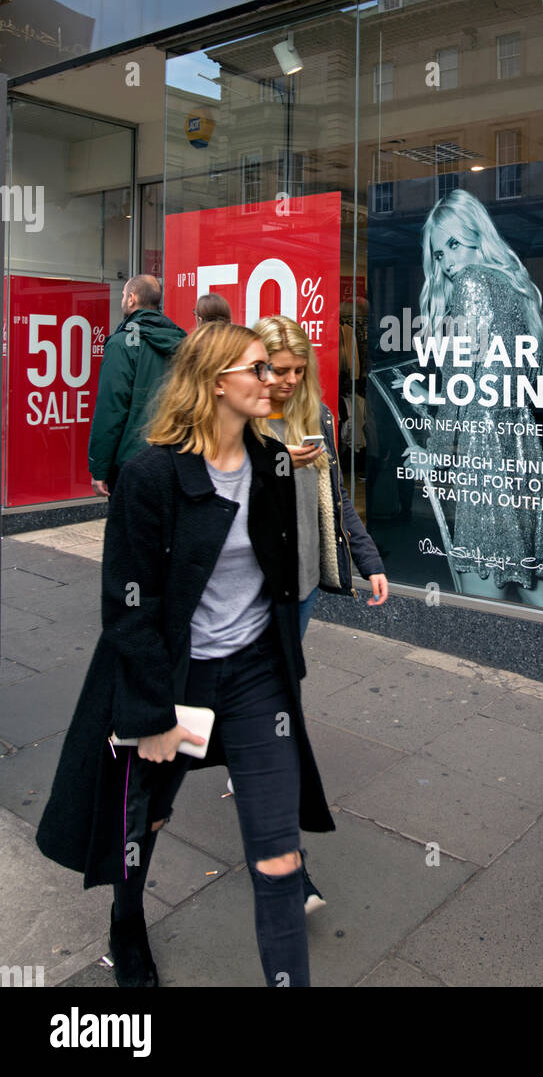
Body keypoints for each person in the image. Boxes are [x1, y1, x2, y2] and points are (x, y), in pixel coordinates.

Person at [36, 322, 334, 988]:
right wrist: (151, 716)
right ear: (215, 382)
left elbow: (280, 575)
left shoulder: (275, 462)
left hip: (255, 675)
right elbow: (128, 610)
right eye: (258, 369)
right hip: (179, 678)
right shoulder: (150, 476)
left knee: (277, 830)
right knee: (148, 810)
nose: (274, 381)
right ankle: (126, 917)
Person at [253, 314, 388, 913]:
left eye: (298, 371)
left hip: (303, 583)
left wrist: (369, 560)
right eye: (277, 370)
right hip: (254, 590)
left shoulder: (318, 418)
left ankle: (247, 750)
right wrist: (282, 466)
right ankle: (290, 866)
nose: (287, 381)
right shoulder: (238, 421)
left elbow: (338, 498)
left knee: (276, 701)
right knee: (277, 706)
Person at [405, 188, 543, 610]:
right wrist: (435, 394)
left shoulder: (473, 282)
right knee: (535, 587)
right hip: (519, 447)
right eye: (439, 254)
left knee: (481, 606)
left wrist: (432, 454)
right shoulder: (513, 285)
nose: (448, 262)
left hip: (486, 454)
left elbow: (465, 388)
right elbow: (485, 381)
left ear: (478, 236)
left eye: (454, 244)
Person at [89, 274, 186, 496]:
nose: (123, 299)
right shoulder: (183, 342)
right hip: (178, 459)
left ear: (132, 298)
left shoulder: (122, 344)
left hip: (132, 465)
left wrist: (99, 468)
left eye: (124, 295)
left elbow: (111, 409)